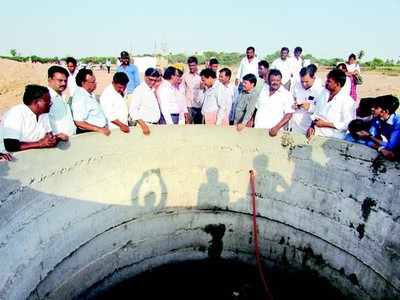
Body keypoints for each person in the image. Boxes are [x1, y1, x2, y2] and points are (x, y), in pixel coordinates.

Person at [2, 85, 67, 152]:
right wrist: (40, 144)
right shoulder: (16, 113)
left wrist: (56, 138)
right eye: (47, 101)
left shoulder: (44, 114)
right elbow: (10, 145)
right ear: (36, 102)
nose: (51, 103)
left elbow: (48, 137)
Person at [306, 69, 356, 140]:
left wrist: (325, 124)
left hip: (333, 138)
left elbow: (349, 124)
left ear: (338, 84)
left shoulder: (347, 101)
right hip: (316, 135)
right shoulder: (323, 94)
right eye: (327, 80)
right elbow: (316, 113)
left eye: (329, 81)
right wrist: (311, 126)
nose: (326, 82)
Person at [354, 96, 399, 160]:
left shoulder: (398, 124)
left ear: (385, 111)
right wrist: (380, 149)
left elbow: (390, 146)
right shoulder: (376, 119)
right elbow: (367, 140)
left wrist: (370, 136)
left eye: (376, 108)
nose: (372, 109)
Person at [254, 69, 294, 136]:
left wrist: (277, 127)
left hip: (273, 132)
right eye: (272, 80)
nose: (275, 82)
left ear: (281, 80)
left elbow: (288, 115)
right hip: (258, 129)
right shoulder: (263, 90)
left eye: (277, 80)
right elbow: (257, 108)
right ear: (269, 80)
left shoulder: (287, 95)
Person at [71, 69, 110, 135]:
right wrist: (99, 129)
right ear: (83, 83)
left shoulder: (89, 94)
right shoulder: (80, 97)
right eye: (93, 82)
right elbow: (79, 122)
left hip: (97, 131)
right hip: (89, 133)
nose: (95, 84)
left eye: (95, 81)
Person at [290, 64, 324, 134]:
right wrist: (294, 104)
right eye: (302, 81)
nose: (304, 84)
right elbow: (292, 99)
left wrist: (310, 107)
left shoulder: (320, 91)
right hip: (295, 126)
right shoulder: (296, 86)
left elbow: (322, 111)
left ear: (313, 78)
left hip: (309, 129)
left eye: (306, 82)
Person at [47, 65, 77, 137]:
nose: (63, 83)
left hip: (72, 139)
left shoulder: (64, 95)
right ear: (50, 80)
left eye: (65, 81)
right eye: (60, 80)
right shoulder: (46, 98)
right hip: (58, 143)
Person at [130, 68, 162, 132]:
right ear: (145, 77)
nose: (153, 82)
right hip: (144, 126)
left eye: (155, 80)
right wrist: (143, 125)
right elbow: (133, 111)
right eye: (150, 79)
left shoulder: (152, 90)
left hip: (154, 126)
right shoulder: (139, 90)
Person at [181, 56, 204, 124]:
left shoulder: (201, 75)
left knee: (198, 127)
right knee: (188, 127)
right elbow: (182, 90)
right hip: (188, 106)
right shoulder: (185, 76)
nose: (191, 67)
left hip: (199, 106)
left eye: (193, 65)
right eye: (190, 65)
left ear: (197, 65)